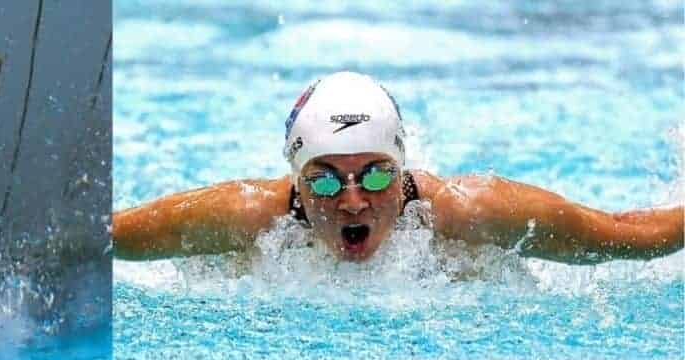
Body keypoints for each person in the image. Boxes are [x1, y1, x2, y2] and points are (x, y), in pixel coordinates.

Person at [113, 71, 683, 264]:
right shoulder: (246, 217)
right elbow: (108, 236)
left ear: (402, 168)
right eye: (325, 179)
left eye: (377, 174)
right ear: (297, 180)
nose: (353, 201)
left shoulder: (468, 212)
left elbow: (622, 235)